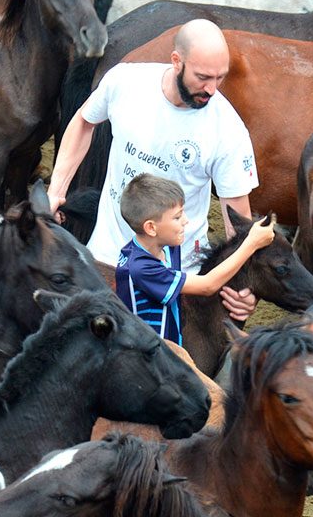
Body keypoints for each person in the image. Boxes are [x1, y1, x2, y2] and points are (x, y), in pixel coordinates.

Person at [48, 19, 261, 320]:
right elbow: (84, 121)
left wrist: (245, 286)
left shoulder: (227, 129)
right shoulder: (125, 83)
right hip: (104, 260)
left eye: (220, 78)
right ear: (177, 61)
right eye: (202, 77)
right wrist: (56, 190)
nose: (212, 90)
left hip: (175, 275)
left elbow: (237, 223)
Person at [114, 174, 275, 344]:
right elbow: (207, 285)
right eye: (177, 217)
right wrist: (251, 244)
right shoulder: (141, 268)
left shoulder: (167, 246)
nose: (186, 221)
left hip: (170, 344)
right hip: (148, 356)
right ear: (151, 228)